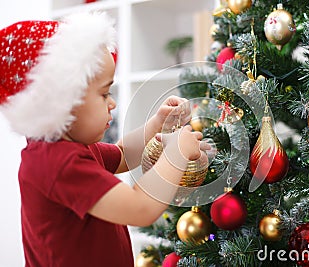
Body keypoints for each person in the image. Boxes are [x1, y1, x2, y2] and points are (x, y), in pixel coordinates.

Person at [0, 12, 208, 266]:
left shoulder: (74, 147)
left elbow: (122, 154)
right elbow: (139, 208)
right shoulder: (56, 162)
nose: (112, 103)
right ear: (62, 103)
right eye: (103, 94)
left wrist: (157, 124)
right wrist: (176, 155)